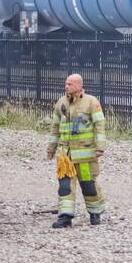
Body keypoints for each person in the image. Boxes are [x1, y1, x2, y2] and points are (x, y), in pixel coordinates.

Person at [47, 74, 106, 229]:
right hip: (65, 157)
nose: (66, 86)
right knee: (65, 187)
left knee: (89, 186)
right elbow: (55, 128)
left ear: (80, 86)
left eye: (70, 84)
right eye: (66, 83)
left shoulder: (91, 102)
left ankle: (95, 213)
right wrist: (51, 149)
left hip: (86, 157)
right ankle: (65, 217)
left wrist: (100, 147)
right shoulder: (61, 103)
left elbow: (99, 125)